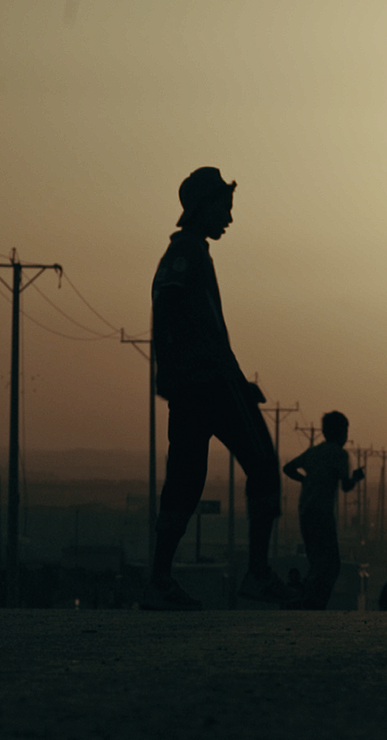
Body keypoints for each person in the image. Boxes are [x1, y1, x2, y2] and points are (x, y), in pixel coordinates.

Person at [146, 167, 290, 610]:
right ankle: (258, 575)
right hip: (208, 384)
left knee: (184, 485)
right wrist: (222, 381)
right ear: (203, 207)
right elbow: (178, 319)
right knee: (263, 469)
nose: (228, 218)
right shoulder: (186, 254)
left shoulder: (189, 253)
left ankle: (158, 581)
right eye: (224, 208)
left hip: (196, 385)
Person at [282, 410, 365, 610]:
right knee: (330, 564)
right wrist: (356, 478)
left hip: (305, 513)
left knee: (316, 561)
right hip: (322, 514)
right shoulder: (339, 454)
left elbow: (288, 468)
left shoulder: (314, 451)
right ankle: (312, 603)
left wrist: (307, 481)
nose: (346, 436)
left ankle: (306, 599)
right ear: (339, 432)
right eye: (345, 431)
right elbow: (346, 486)